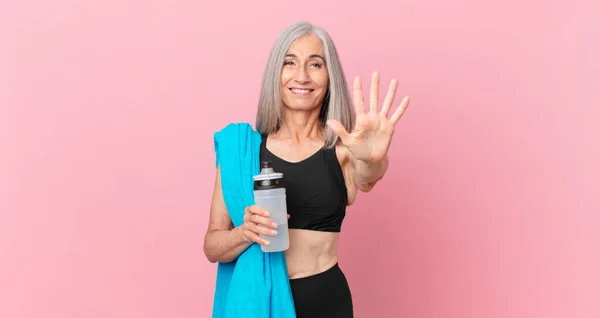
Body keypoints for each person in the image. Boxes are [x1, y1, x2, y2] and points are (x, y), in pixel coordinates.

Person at [203, 21, 410, 318]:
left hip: (325, 302)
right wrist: (245, 233)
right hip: (258, 305)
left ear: (329, 77)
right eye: (290, 62)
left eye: (315, 64)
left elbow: (368, 177)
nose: (302, 76)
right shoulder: (242, 150)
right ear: (276, 73)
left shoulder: (344, 152)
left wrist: (375, 157)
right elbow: (212, 246)